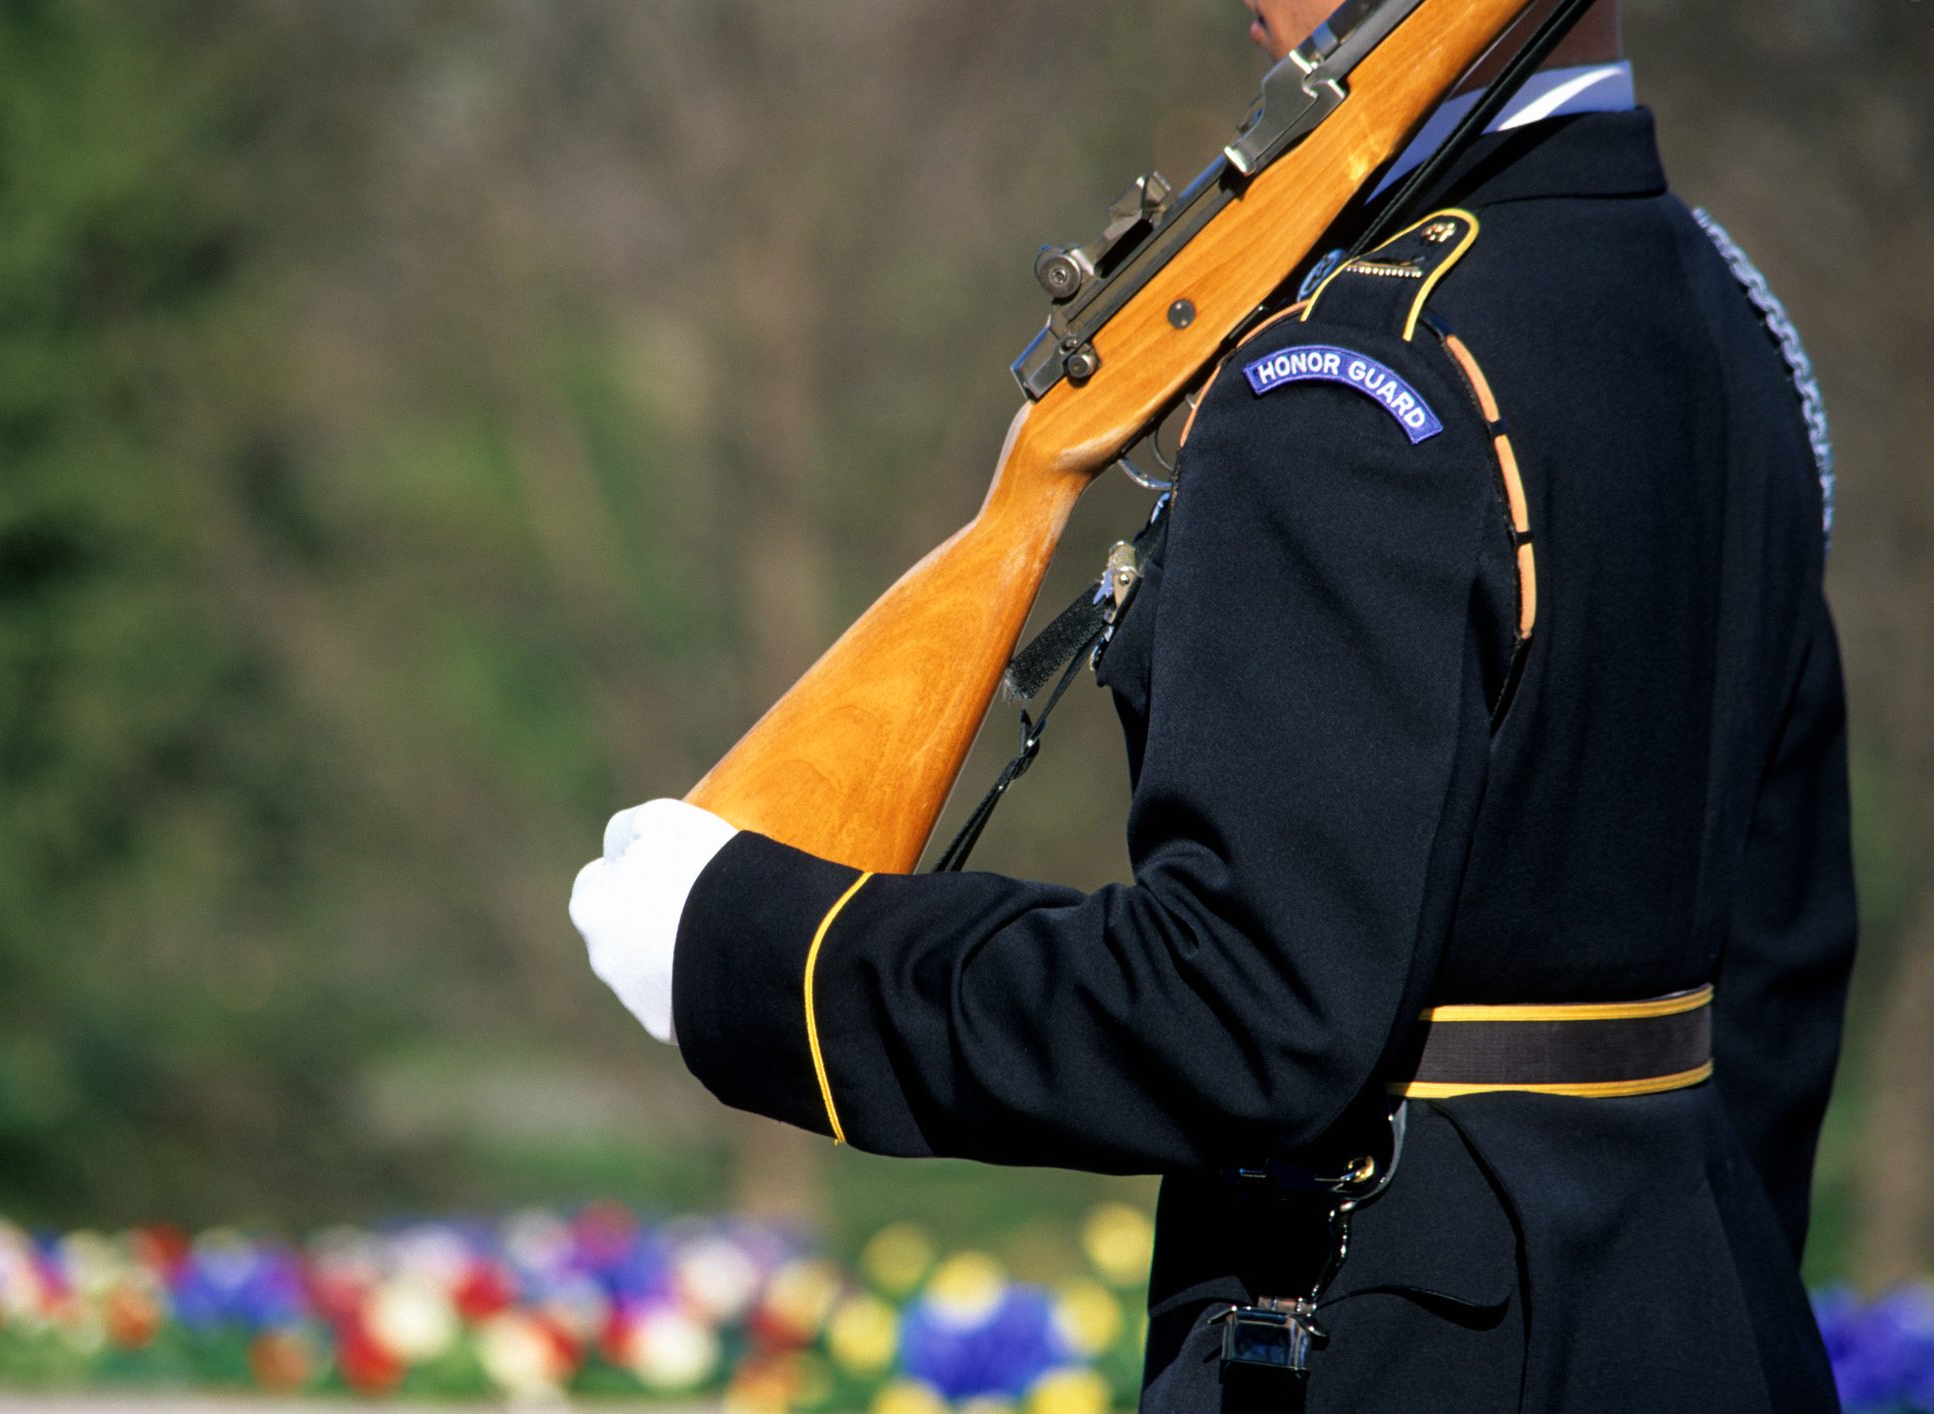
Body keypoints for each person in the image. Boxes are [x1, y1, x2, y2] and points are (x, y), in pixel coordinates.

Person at [569, 0, 1855, 1406]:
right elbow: (1779, 960)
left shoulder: (1358, 373)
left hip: (1389, 1350)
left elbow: (1238, 1009)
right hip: (1706, 1329)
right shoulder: (1730, 314)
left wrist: (762, 951)